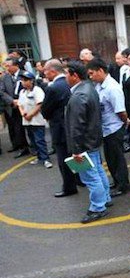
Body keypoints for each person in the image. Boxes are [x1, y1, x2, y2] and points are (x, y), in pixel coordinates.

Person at [65, 61, 111, 223]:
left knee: (91, 177)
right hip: (93, 141)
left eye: (66, 74)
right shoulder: (89, 88)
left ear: (74, 76)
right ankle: (105, 198)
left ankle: (98, 207)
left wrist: (76, 150)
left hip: (84, 144)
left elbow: (77, 126)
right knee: (98, 171)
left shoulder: (79, 95)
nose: (65, 77)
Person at [86, 58, 130, 197]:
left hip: (114, 128)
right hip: (105, 129)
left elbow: (120, 111)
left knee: (117, 158)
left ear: (101, 70)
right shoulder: (99, 85)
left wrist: (126, 122)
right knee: (110, 159)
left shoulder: (112, 87)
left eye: (92, 73)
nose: (91, 77)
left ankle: (123, 185)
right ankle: (116, 181)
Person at [41, 59, 79, 197]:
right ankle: (80, 179)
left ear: (53, 71)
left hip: (59, 128)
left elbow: (45, 110)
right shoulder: (69, 84)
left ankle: (69, 187)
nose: (44, 73)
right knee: (75, 155)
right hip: (72, 127)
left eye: (45, 70)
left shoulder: (53, 88)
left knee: (64, 159)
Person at [17, 71, 52, 169]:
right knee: (32, 140)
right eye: (22, 80)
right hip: (27, 121)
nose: (23, 82)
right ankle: (39, 156)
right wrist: (22, 113)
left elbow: (40, 104)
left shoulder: (37, 90)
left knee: (39, 140)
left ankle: (46, 159)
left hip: (36, 120)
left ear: (31, 81)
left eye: (26, 80)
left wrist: (31, 115)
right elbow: (19, 104)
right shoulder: (22, 92)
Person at [0, 58, 29, 158]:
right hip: (11, 106)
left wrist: (20, 101)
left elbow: (29, 88)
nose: (6, 68)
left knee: (27, 127)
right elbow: (1, 91)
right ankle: (19, 146)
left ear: (15, 65)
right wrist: (11, 101)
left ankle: (30, 146)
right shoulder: (5, 77)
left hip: (24, 106)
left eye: (8, 66)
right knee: (14, 128)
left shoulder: (24, 74)